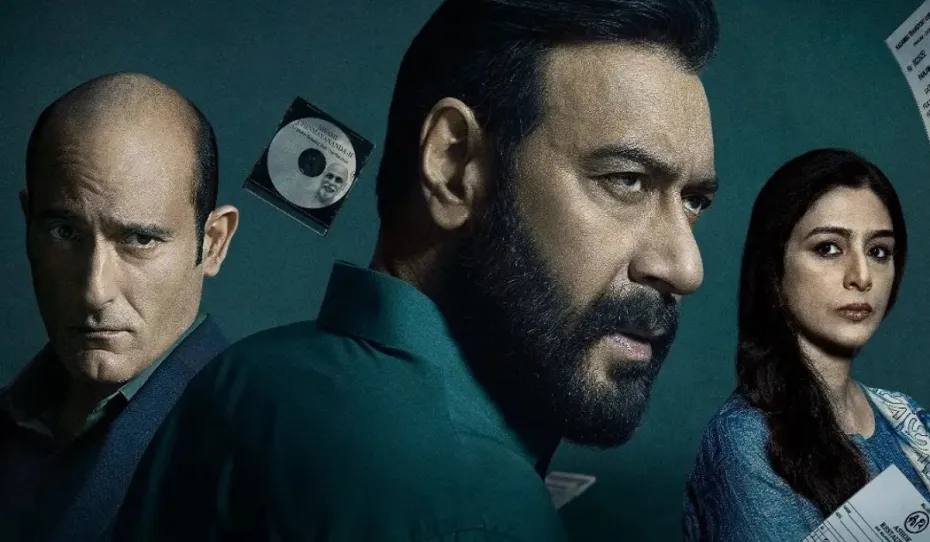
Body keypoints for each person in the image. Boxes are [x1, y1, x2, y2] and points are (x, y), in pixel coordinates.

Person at [114, 0, 720, 540]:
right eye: (625, 180)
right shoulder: (484, 513)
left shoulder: (242, 376)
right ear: (454, 166)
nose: (686, 266)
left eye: (693, 201)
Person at [0, 72, 240, 542]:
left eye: (140, 239)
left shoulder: (247, 465)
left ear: (213, 243)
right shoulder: (15, 417)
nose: (95, 291)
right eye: (64, 232)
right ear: (29, 223)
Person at [682, 149, 927, 541]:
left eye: (878, 251)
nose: (862, 276)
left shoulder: (907, 419)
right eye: (829, 248)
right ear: (774, 266)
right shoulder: (747, 439)